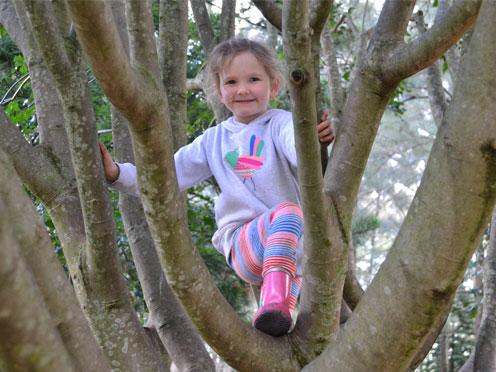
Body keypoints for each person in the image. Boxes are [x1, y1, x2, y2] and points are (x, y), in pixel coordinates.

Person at [100, 37, 334, 337]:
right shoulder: (214, 141)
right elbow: (166, 175)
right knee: (288, 213)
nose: (243, 89)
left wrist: (315, 140)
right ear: (220, 92)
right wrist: (118, 173)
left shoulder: (282, 123)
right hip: (244, 244)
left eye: (253, 79)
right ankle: (274, 296)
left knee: (290, 229)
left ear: (273, 86)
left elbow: (297, 148)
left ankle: (278, 309)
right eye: (232, 82)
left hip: (295, 250)